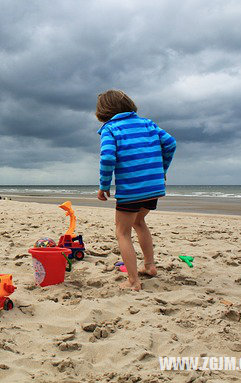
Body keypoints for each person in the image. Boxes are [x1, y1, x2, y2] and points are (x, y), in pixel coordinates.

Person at [95, 90, 176, 291]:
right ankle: (149, 265)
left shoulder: (110, 129)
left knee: (122, 231)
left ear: (103, 111)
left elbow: (107, 158)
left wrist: (104, 185)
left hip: (131, 189)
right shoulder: (148, 123)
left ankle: (133, 280)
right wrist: (161, 170)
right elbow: (170, 143)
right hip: (154, 187)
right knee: (139, 221)